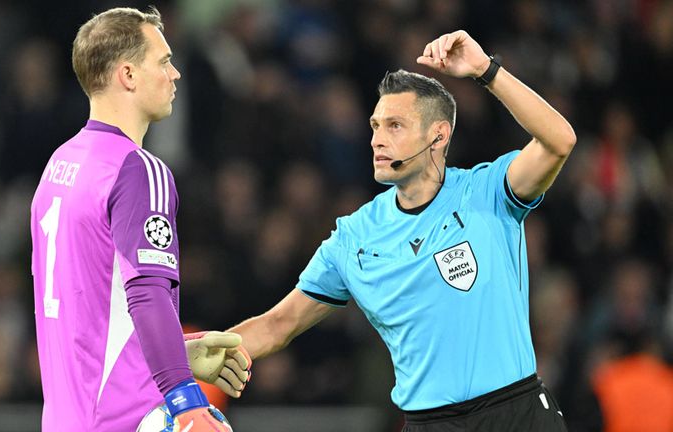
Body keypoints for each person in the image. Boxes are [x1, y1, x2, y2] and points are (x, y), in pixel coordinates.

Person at [228, 30, 575, 431]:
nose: (377, 139)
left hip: (517, 414)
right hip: (430, 424)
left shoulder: (486, 192)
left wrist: (485, 69)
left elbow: (559, 141)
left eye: (395, 126)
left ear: (438, 136)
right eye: (375, 126)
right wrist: (176, 360)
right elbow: (276, 326)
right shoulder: (354, 237)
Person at [30, 7, 249, 432]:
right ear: (128, 75)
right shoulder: (138, 170)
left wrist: (175, 352)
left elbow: (88, 307)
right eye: (164, 62)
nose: (176, 74)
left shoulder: (59, 165)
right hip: (127, 419)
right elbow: (147, 292)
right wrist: (186, 399)